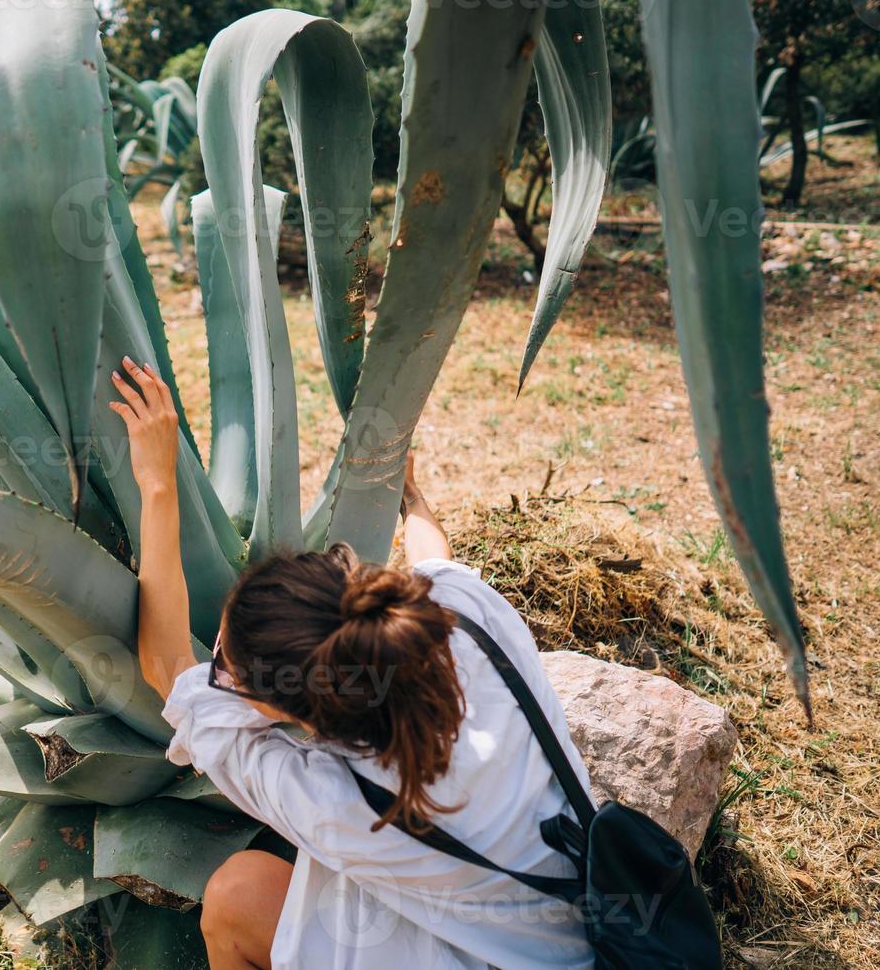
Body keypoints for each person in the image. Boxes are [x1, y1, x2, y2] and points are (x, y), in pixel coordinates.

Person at [109, 356, 595, 970]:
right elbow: (432, 557)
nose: (216, 670)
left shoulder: (329, 801)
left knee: (236, 895)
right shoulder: (467, 619)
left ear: (293, 711)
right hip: (591, 937)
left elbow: (165, 663)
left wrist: (155, 484)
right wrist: (409, 493)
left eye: (226, 669)